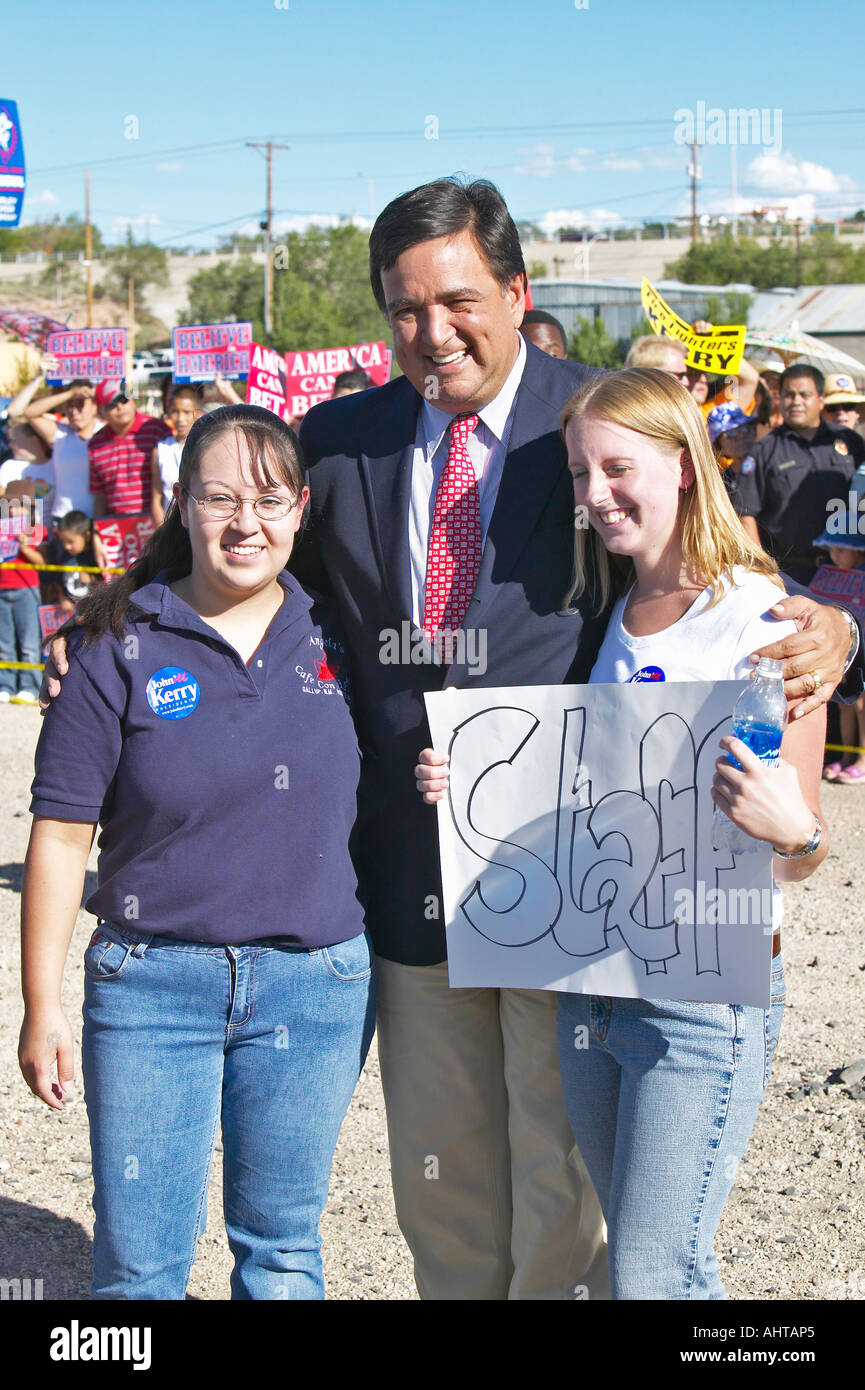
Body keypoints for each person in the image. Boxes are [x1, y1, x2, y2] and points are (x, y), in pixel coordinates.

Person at [42, 177, 861, 1302]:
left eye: (458, 300)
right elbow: (239, 538)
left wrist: (828, 620)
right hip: (404, 870)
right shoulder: (337, 442)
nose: (432, 335)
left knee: (560, 1186)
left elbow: (700, 561)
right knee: (444, 1188)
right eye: (404, 311)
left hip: (573, 881)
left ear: (519, 292)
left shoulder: (593, 424)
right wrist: (113, 613)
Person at [418, 366, 830, 1300]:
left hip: (702, 991)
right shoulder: (595, 614)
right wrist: (474, 774)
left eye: (617, 467)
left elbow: (803, 850)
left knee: (656, 1272)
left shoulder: (763, 621)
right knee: (637, 1270)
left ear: (685, 465)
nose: (595, 495)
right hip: (591, 989)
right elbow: (583, 794)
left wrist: (792, 833)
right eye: (577, 473)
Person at [19, 405, 374, 1300]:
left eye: (266, 498)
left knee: (283, 1251)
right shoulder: (113, 646)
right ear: (182, 506)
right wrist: (40, 1004)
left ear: (300, 508)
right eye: (218, 497)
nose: (243, 522)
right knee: (138, 1269)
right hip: (150, 989)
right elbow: (61, 839)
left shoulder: (350, 637)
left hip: (314, 987)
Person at [733, 365, 865, 584]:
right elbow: (745, 513)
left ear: (821, 399)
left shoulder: (850, 441)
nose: (796, 401)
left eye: (804, 395)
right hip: (791, 574)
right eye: (788, 395)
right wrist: (762, 571)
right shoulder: (764, 450)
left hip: (848, 570)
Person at [811, 465, 865, 785]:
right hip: (843, 655)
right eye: (830, 547)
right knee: (843, 704)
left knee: (861, 706)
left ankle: (861, 757)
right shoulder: (829, 575)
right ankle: (843, 754)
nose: (833, 553)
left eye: (840, 548)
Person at [4, 356, 99, 523]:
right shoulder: (60, 434)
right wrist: (68, 392)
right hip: (63, 519)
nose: (74, 411)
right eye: (70, 405)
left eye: (80, 404)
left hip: (96, 517)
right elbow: (24, 412)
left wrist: (94, 392)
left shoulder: (105, 432)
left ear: (94, 406)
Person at [87, 380, 172, 518]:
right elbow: (100, 495)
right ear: (101, 411)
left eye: (123, 399)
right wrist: (98, 527)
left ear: (131, 399)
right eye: (112, 404)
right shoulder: (96, 443)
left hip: (158, 521)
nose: (120, 407)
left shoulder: (157, 429)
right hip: (117, 525)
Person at [0, 493, 47, 704]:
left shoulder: (36, 530)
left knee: (29, 642)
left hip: (26, 590)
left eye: (19, 506)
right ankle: (6, 684)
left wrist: (24, 546)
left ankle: (29, 685)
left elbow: (42, 562)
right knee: (4, 643)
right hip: (2, 589)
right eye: (9, 506)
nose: (13, 510)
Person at [151, 385, 202, 524]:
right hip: (170, 526)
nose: (180, 418)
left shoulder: (205, 446)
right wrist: (163, 531)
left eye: (186, 412)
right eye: (175, 411)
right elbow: (156, 497)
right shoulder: (161, 449)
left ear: (198, 413)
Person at [41, 510, 108, 612]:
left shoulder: (96, 558)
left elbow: (107, 584)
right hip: (70, 612)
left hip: (94, 611)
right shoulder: (64, 556)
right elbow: (58, 580)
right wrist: (63, 599)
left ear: (87, 536)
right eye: (63, 541)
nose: (66, 546)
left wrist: (92, 578)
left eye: (70, 542)